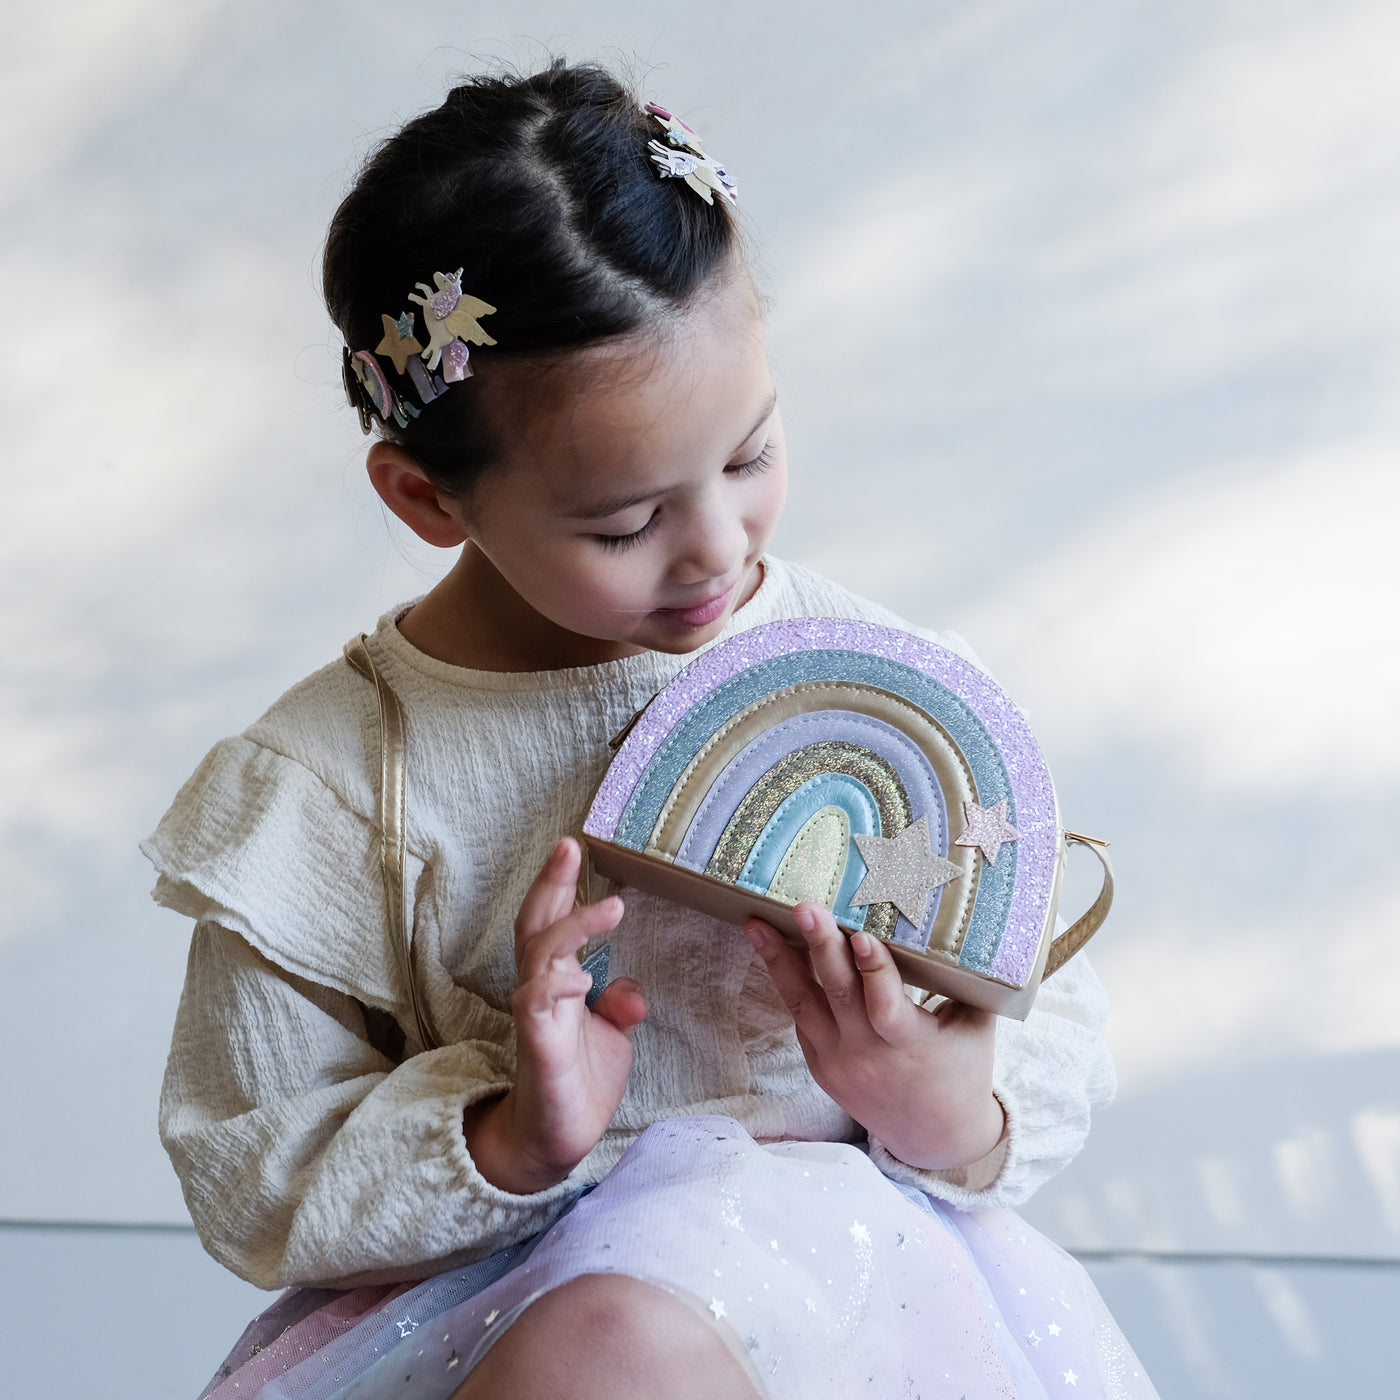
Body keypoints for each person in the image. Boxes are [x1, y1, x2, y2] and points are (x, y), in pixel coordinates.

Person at [145, 60, 1157, 1400]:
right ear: (424, 499)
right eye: (624, 524)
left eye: (749, 456)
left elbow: (1050, 1024)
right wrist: (512, 1131)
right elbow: (251, 1170)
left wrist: (943, 1098)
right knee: (613, 1345)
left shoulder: (885, 694)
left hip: (863, 1298)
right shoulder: (335, 788)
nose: (716, 551)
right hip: (498, 1321)